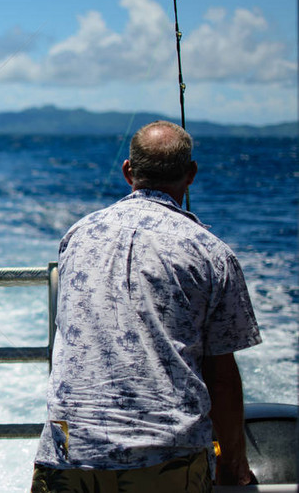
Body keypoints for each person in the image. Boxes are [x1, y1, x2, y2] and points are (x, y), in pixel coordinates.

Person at [31, 121, 261, 493]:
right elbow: (221, 374)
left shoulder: (76, 236)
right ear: (191, 174)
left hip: (68, 447)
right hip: (167, 457)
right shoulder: (212, 253)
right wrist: (234, 464)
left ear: (128, 172)